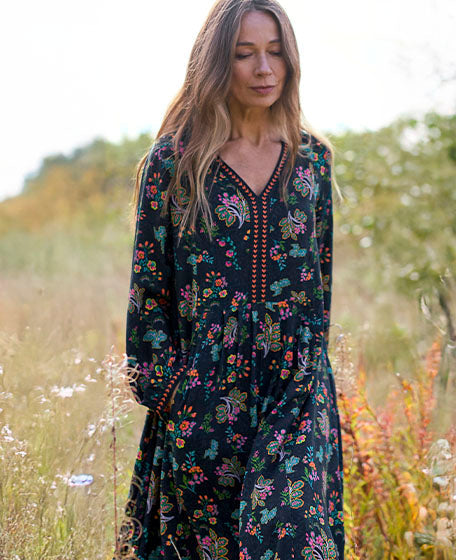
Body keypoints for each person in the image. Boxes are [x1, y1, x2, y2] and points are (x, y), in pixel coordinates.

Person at [116, 1, 344, 558]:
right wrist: (170, 392)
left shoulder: (312, 161)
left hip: (295, 391)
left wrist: (312, 376)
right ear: (218, 64)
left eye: (276, 53)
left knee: (292, 539)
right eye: (245, 54)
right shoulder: (173, 164)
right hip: (203, 397)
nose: (264, 69)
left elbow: (321, 289)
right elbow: (149, 295)